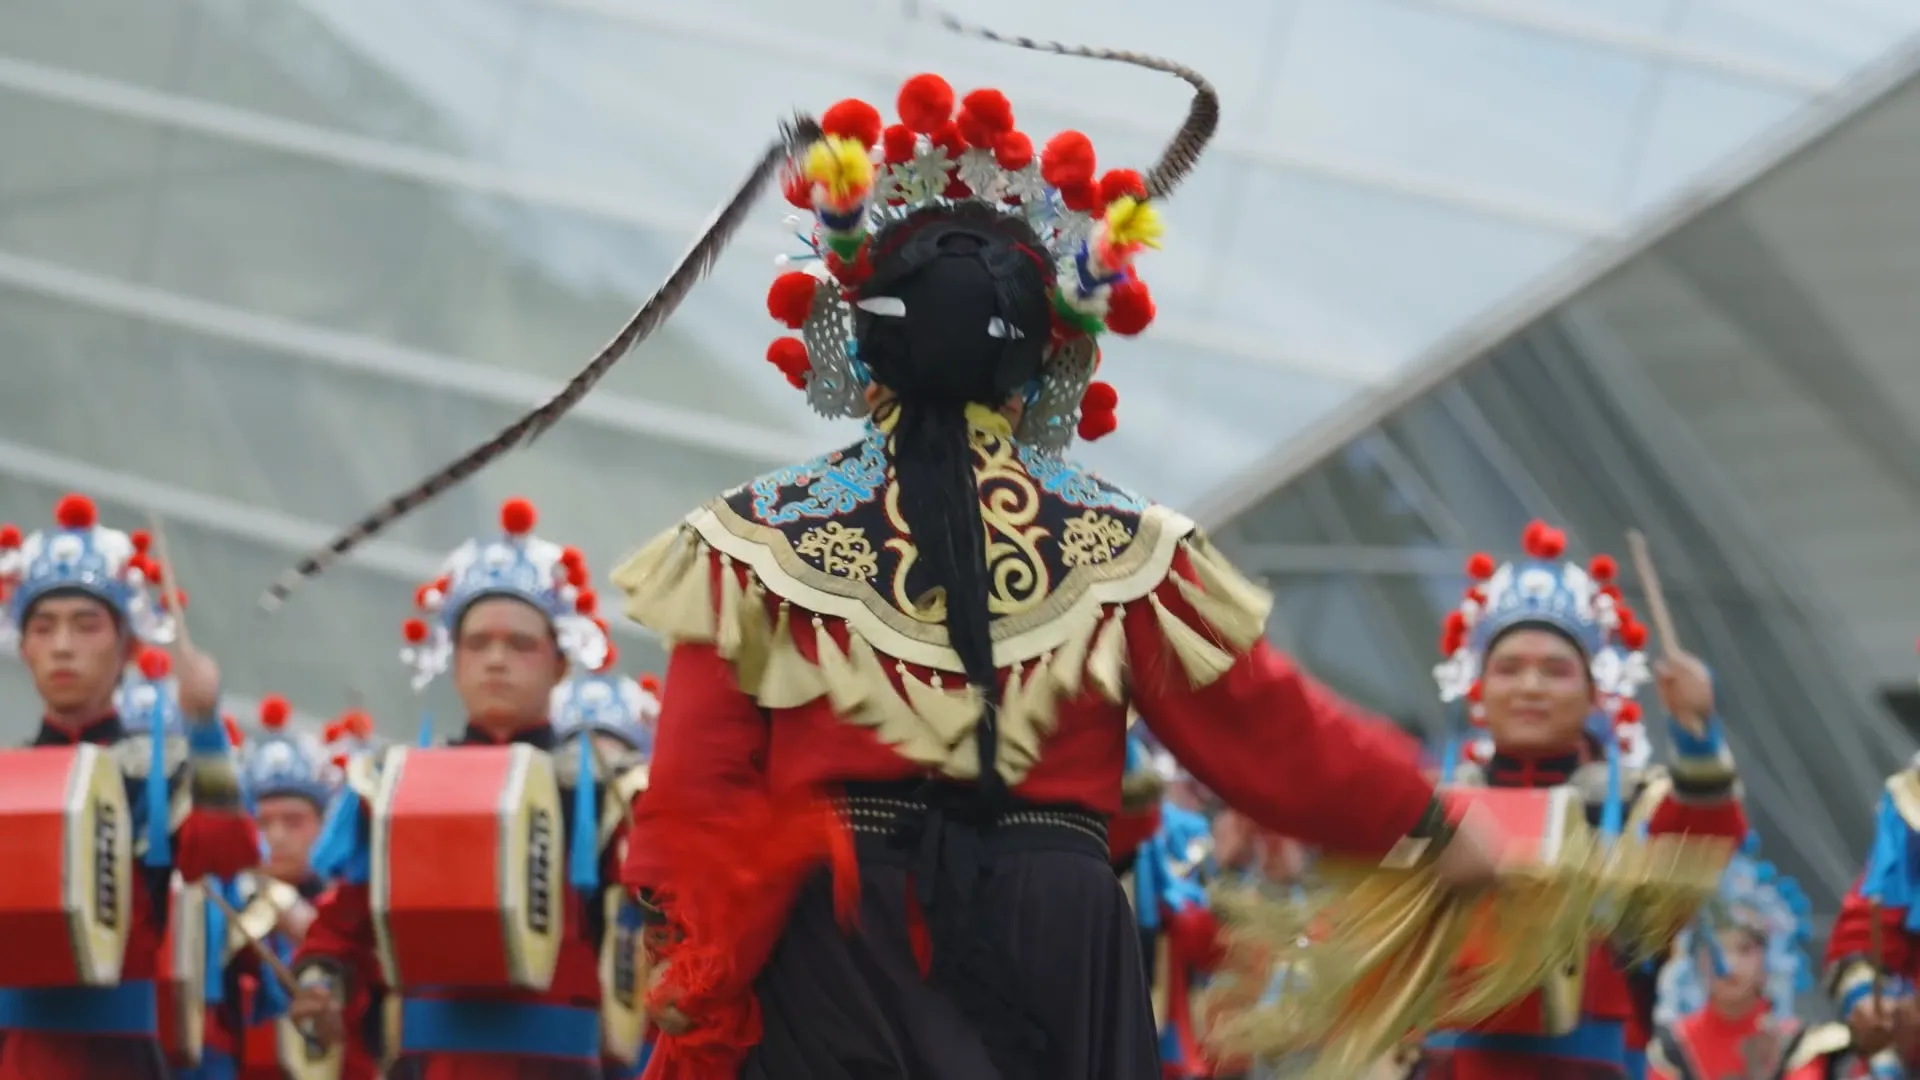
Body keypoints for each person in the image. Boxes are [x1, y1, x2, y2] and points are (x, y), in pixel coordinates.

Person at [607, 43, 1498, 1080]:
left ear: (860, 348)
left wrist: (702, 980)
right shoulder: (1122, 549)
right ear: (1041, 369)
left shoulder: (758, 540)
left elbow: (689, 802)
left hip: (836, 942)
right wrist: (1426, 822)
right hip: (1055, 940)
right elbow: (1272, 733)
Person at [286, 497, 647, 1080]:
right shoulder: (393, 787)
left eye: (521, 644)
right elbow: (341, 927)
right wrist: (320, 985)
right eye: (477, 644)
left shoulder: (607, 794)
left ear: (560, 665)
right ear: (452, 662)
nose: (496, 661)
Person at [1415, 523, 1749, 1079]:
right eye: (1509, 669)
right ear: (1478, 686)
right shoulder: (1433, 801)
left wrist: (1697, 734)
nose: (1530, 687)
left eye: (1555, 670)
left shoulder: (1638, 803)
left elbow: (1703, 846)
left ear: (1595, 692)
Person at [0, 493, 260, 1079]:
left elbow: (226, 853)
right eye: (44, 628)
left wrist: (205, 729)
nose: (63, 645)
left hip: (121, 1052)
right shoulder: (6, 771)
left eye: (86, 625)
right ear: (25, 648)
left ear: (126, 647)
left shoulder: (156, 767)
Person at [200, 695, 347, 1079]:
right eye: (263, 823)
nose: (277, 837)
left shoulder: (349, 913)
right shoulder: (218, 903)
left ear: (324, 826)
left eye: (294, 821)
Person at [549, 666, 660, 1080]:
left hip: (639, 1034)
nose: (592, 759)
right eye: (578, 746)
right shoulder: (537, 803)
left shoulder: (650, 808)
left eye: (608, 745)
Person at [1649, 836, 1815, 1080]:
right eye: (1715, 950)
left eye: (1745, 950)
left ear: (1769, 959)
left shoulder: (1797, 1046)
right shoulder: (1672, 1047)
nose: (1728, 964)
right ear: (1694, 960)